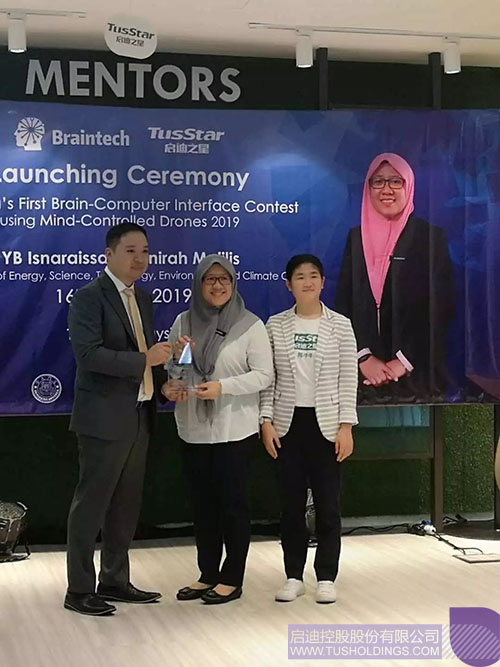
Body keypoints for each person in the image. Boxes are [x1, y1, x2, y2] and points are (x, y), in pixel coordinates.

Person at [65, 223, 171, 616]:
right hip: (103, 418)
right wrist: (145, 360)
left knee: (125, 507)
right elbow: (89, 356)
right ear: (108, 254)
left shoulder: (142, 296)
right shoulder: (88, 297)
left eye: (145, 251)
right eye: (130, 251)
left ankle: (114, 580)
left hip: (139, 414)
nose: (140, 259)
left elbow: (146, 351)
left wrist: (163, 384)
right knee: (91, 506)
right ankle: (78, 589)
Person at [165, 255, 273, 605]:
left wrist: (223, 387)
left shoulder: (250, 325)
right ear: (199, 284)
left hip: (234, 431)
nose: (217, 285)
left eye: (224, 279)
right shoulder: (183, 322)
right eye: (209, 279)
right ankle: (207, 573)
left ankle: (232, 578)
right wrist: (176, 368)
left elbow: (264, 375)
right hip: (193, 429)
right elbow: (178, 371)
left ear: (233, 283)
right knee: (203, 507)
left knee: (232, 506)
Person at [260, 254, 358, 604]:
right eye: (300, 276)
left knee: (328, 506)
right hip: (287, 425)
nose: (307, 282)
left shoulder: (340, 325)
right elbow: (268, 378)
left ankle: (326, 576)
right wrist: (266, 420)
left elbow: (349, 377)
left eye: (313, 275)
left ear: (322, 282)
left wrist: (346, 425)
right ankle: (293, 576)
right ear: (289, 284)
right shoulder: (275, 325)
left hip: (327, 425)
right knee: (290, 506)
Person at [336, 152, 454, 403]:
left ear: (408, 186)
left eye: (395, 181)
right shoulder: (356, 239)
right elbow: (344, 304)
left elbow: (441, 306)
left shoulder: (429, 237)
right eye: (378, 181)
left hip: (417, 376)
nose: (386, 189)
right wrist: (363, 356)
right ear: (368, 188)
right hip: (364, 379)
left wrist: (403, 361)